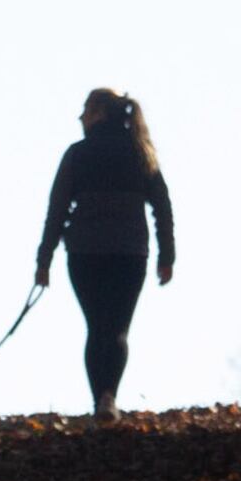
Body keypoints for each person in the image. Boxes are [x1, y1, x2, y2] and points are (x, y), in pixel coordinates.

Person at [32, 85, 175, 420]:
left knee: (97, 326)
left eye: (85, 109)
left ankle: (102, 400)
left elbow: (57, 209)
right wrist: (166, 256)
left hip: (86, 252)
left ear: (98, 113)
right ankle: (108, 398)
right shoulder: (142, 153)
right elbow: (162, 207)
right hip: (130, 252)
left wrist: (44, 261)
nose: (80, 116)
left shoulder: (78, 154)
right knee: (117, 329)